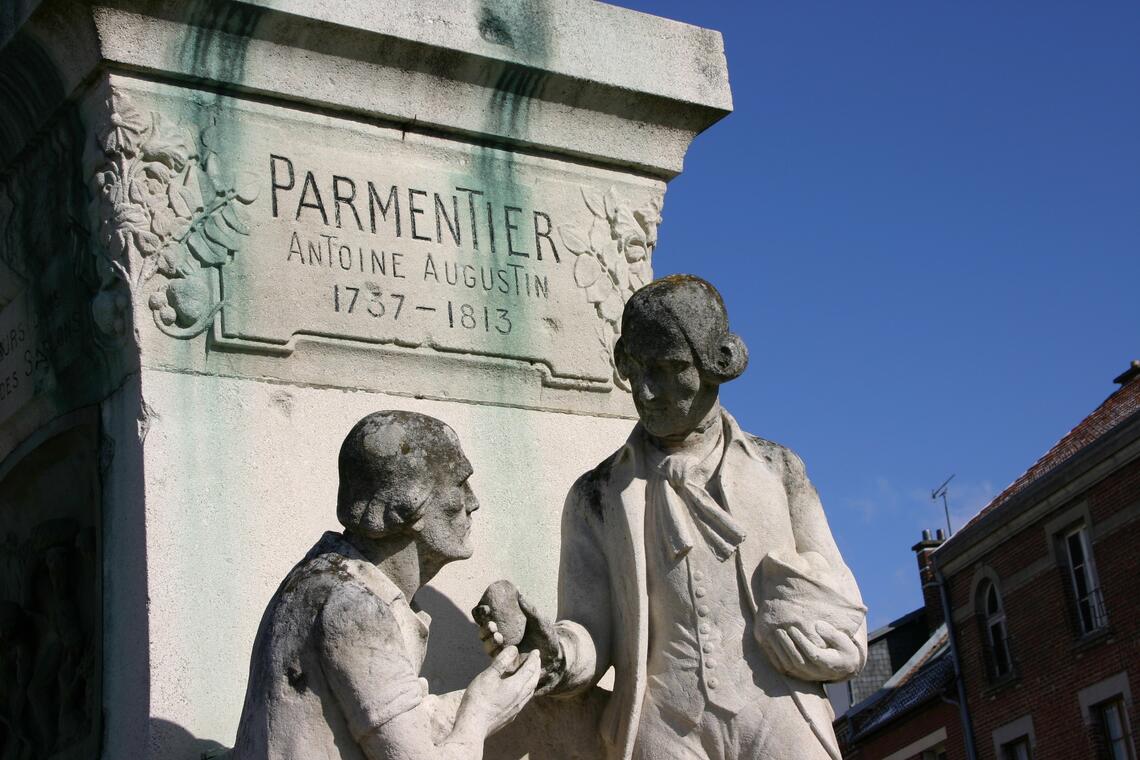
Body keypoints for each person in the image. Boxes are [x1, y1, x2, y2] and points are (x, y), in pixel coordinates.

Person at [476, 275, 867, 760]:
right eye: (636, 368)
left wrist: (822, 637)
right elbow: (590, 629)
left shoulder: (779, 470)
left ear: (714, 365)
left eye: (667, 367)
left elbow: (842, 603)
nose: (645, 389)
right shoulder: (595, 496)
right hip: (662, 724)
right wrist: (551, 651)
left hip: (778, 711)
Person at [230, 410, 540, 760]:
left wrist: (493, 690)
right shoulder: (354, 608)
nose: (473, 502)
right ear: (409, 505)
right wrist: (481, 714)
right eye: (459, 484)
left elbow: (403, 723)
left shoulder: (331, 578)